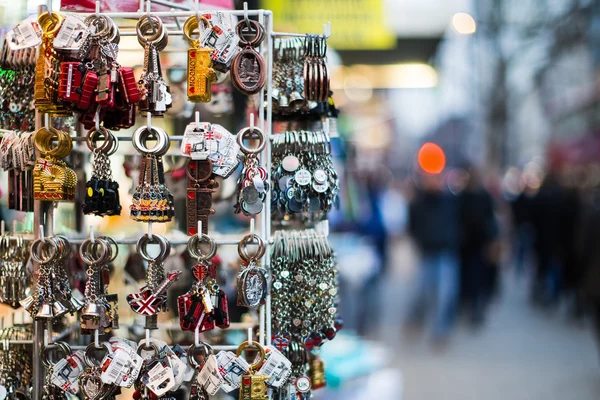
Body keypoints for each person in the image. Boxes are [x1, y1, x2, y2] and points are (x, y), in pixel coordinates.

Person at [406, 173, 460, 342]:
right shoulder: (420, 202)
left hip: (447, 252)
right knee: (422, 292)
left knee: (445, 294)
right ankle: (416, 319)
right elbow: (412, 225)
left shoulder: (450, 201)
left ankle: (440, 330)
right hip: (428, 252)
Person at [458, 167, 499, 328]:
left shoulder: (482, 197)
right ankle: (470, 305)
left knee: (477, 278)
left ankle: (475, 307)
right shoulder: (464, 198)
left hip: (479, 247)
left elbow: (491, 220)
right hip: (466, 247)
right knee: (470, 278)